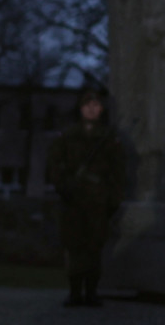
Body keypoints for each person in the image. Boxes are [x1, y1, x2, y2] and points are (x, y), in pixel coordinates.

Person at [47, 88, 125, 307]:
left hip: (98, 202)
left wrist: (113, 200)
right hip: (72, 202)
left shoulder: (109, 139)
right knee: (74, 248)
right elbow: (54, 165)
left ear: (101, 109)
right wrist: (63, 187)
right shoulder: (67, 137)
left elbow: (118, 173)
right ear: (81, 108)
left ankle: (91, 292)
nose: (92, 109)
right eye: (87, 105)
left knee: (94, 248)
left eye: (96, 105)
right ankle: (74, 292)